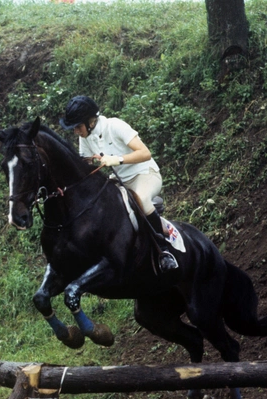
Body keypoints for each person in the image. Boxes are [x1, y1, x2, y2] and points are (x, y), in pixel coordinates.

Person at [59, 95, 179, 271]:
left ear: (90, 122)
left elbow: (145, 153)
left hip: (144, 174)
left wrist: (117, 159)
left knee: (142, 200)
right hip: (120, 181)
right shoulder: (85, 137)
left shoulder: (115, 126)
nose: (76, 131)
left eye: (78, 127)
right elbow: (85, 165)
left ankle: (164, 251)